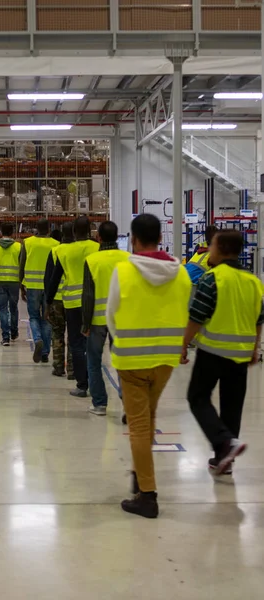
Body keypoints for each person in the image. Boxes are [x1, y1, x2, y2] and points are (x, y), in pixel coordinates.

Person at [107, 214, 191, 518]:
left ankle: (147, 494)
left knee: (139, 426)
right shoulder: (181, 273)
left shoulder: (125, 270)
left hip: (131, 361)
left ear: (134, 238)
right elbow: (186, 311)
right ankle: (140, 474)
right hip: (165, 360)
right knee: (148, 418)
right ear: (160, 237)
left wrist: (121, 341)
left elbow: (111, 314)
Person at [182, 229, 263, 476]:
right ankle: (224, 459)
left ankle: (224, 443)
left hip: (212, 352)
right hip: (240, 354)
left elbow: (196, 317)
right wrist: (255, 349)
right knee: (232, 406)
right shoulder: (254, 282)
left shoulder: (212, 279)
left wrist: (183, 344)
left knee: (197, 397)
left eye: (212, 246)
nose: (209, 251)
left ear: (222, 249)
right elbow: (259, 320)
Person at [46, 216, 99, 397]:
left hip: (73, 303)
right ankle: (95, 381)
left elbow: (54, 279)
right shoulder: (97, 248)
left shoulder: (64, 252)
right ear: (91, 229)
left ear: (74, 231)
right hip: (95, 303)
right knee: (93, 344)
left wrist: (48, 302)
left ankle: (81, 384)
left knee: (76, 343)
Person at [83, 220, 129, 415]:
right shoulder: (128, 259)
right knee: (123, 363)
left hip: (97, 320)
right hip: (122, 320)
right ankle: (128, 402)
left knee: (93, 361)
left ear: (98, 238)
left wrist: (85, 323)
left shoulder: (92, 260)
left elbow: (88, 295)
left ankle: (100, 404)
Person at [20, 218, 59, 363]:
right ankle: (45, 353)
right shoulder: (56, 244)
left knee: (34, 316)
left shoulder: (28, 242)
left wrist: (21, 285)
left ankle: (37, 339)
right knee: (46, 318)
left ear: (36, 228)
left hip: (32, 286)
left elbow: (22, 263)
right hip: (49, 287)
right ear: (49, 229)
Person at [44, 222, 74, 379]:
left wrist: (47, 303)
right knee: (74, 336)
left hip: (56, 299)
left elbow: (49, 278)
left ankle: (58, 366)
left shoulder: (55, 251)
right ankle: (72, 369)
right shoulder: (80, 251)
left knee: (57, 332)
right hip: (75, 299)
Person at [0, 223, 21, 346]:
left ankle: (5, 337)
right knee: (13, 308)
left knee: (3, 309)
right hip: (14, 282)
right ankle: (14, 332)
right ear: (12, 232)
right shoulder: (18, 247)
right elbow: (22, 265)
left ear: (1, 232)